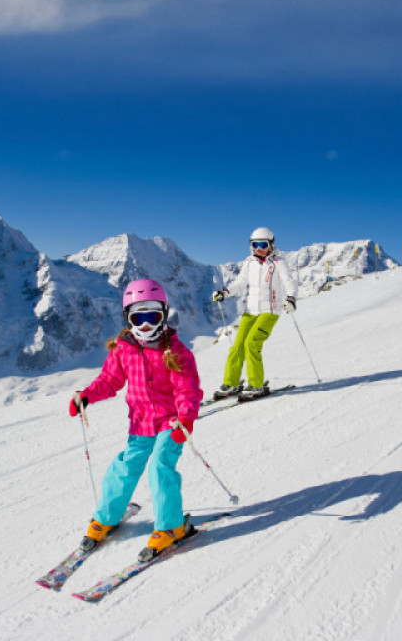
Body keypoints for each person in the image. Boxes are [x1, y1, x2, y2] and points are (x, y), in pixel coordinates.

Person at [69, 278, 205, 562]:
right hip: (141, 423)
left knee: (160, 467)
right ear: (127, 318)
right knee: (124, 467)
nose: (145, 325)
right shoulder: (123, 348)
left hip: (172, 423)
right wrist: (87, 396)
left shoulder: (177, 351)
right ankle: (105, 518)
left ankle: (172, 527)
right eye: (137, 318)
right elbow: (110, 380)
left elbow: (187, 388)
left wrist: (186, 418)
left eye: (152, 317)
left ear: (164, 315)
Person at [210, 227, 299, 402]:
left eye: (263, 245)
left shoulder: (277, 263)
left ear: (271, 245)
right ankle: (232, 383)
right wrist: (225, 292)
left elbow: (289, 282)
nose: (259, 249)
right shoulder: (249, 262)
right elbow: (240, 283)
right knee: (237, 346)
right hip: (250, 311)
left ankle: (256, 384)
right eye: (255, 244)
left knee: (252, 343)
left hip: (269, 311)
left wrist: (291, 299)